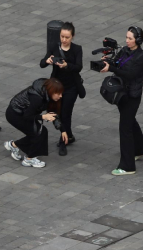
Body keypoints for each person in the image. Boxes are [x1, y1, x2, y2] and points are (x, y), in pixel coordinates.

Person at [100, 26, 143, 176]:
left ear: (137, 40)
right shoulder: (125, 50)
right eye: (126, 37)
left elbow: (131, 74)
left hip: (132, 96)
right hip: (122, 93)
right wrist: (108, 63)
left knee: (125, 128)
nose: (127, 41)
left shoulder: (141, 57)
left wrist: (112, 69)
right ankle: (140, 149)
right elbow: (117, 63)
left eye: (130, 38)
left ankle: (127, 166)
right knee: (130, 121)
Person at [39, 22, 83, 156]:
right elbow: (41, 63)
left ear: (72, 37)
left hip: (71, 87)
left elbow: (78, 67)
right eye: (62, 36)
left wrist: (66, 65)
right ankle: (68, 134)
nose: (64, 40)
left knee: (65, 113)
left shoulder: (76, 49)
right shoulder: (54, 47)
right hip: (57, 86)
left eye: (67, 37)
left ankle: (63, 142)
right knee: (55, 111)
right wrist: (47, 61)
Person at [4, 78, 66, 168]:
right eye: (58, 93)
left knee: (39, 132)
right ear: (51, 91)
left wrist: (63, 130)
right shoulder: (37, 98)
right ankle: (29, 160)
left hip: (23, 114)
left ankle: (13, 145)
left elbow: (54, 114)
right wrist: (43, 117)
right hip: (15, 115)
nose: (61, 96)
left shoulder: (48, 95)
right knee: (39, 133)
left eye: (61, 93)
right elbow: (27, 116)